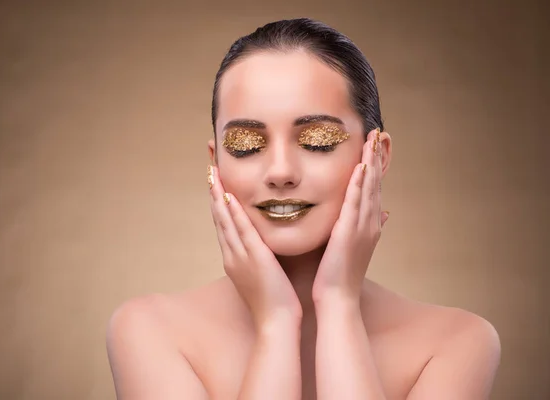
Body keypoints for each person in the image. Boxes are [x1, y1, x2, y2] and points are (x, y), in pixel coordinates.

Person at [106, 18, 501, 400]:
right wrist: (276, 324)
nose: (280, 172)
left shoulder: (456, 342)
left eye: (317, 141)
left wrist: (338, 306)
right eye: (246, 144)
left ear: (376, 155)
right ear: (216, 163)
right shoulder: (149, 330)